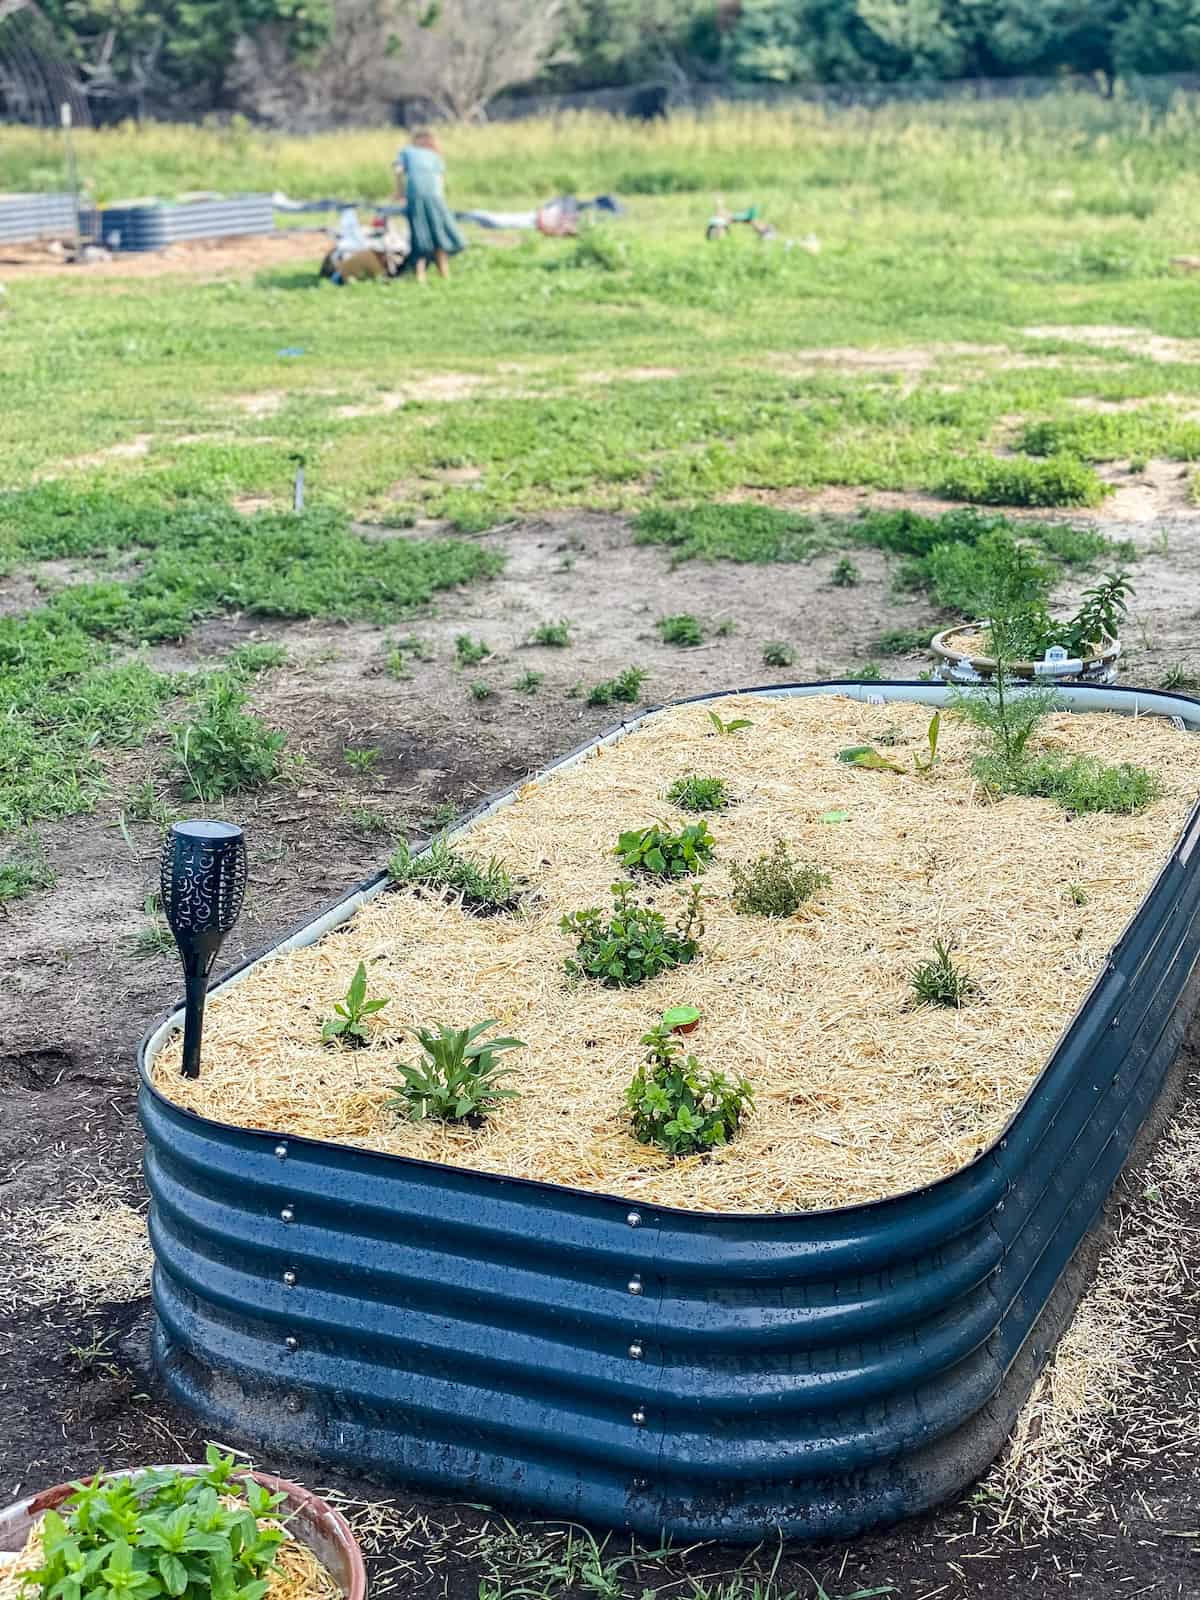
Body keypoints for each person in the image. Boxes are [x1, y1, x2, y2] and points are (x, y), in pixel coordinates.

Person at [392, 129, 465, 284]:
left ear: (417, 140)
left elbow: (398, 170)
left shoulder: (406, 151)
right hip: (436, 198)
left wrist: (399, 192)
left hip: (416, 196)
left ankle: (420, 276)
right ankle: (444, 274)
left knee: (420, 234)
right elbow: (440, 181)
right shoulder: (435, 156)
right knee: (439, 234)